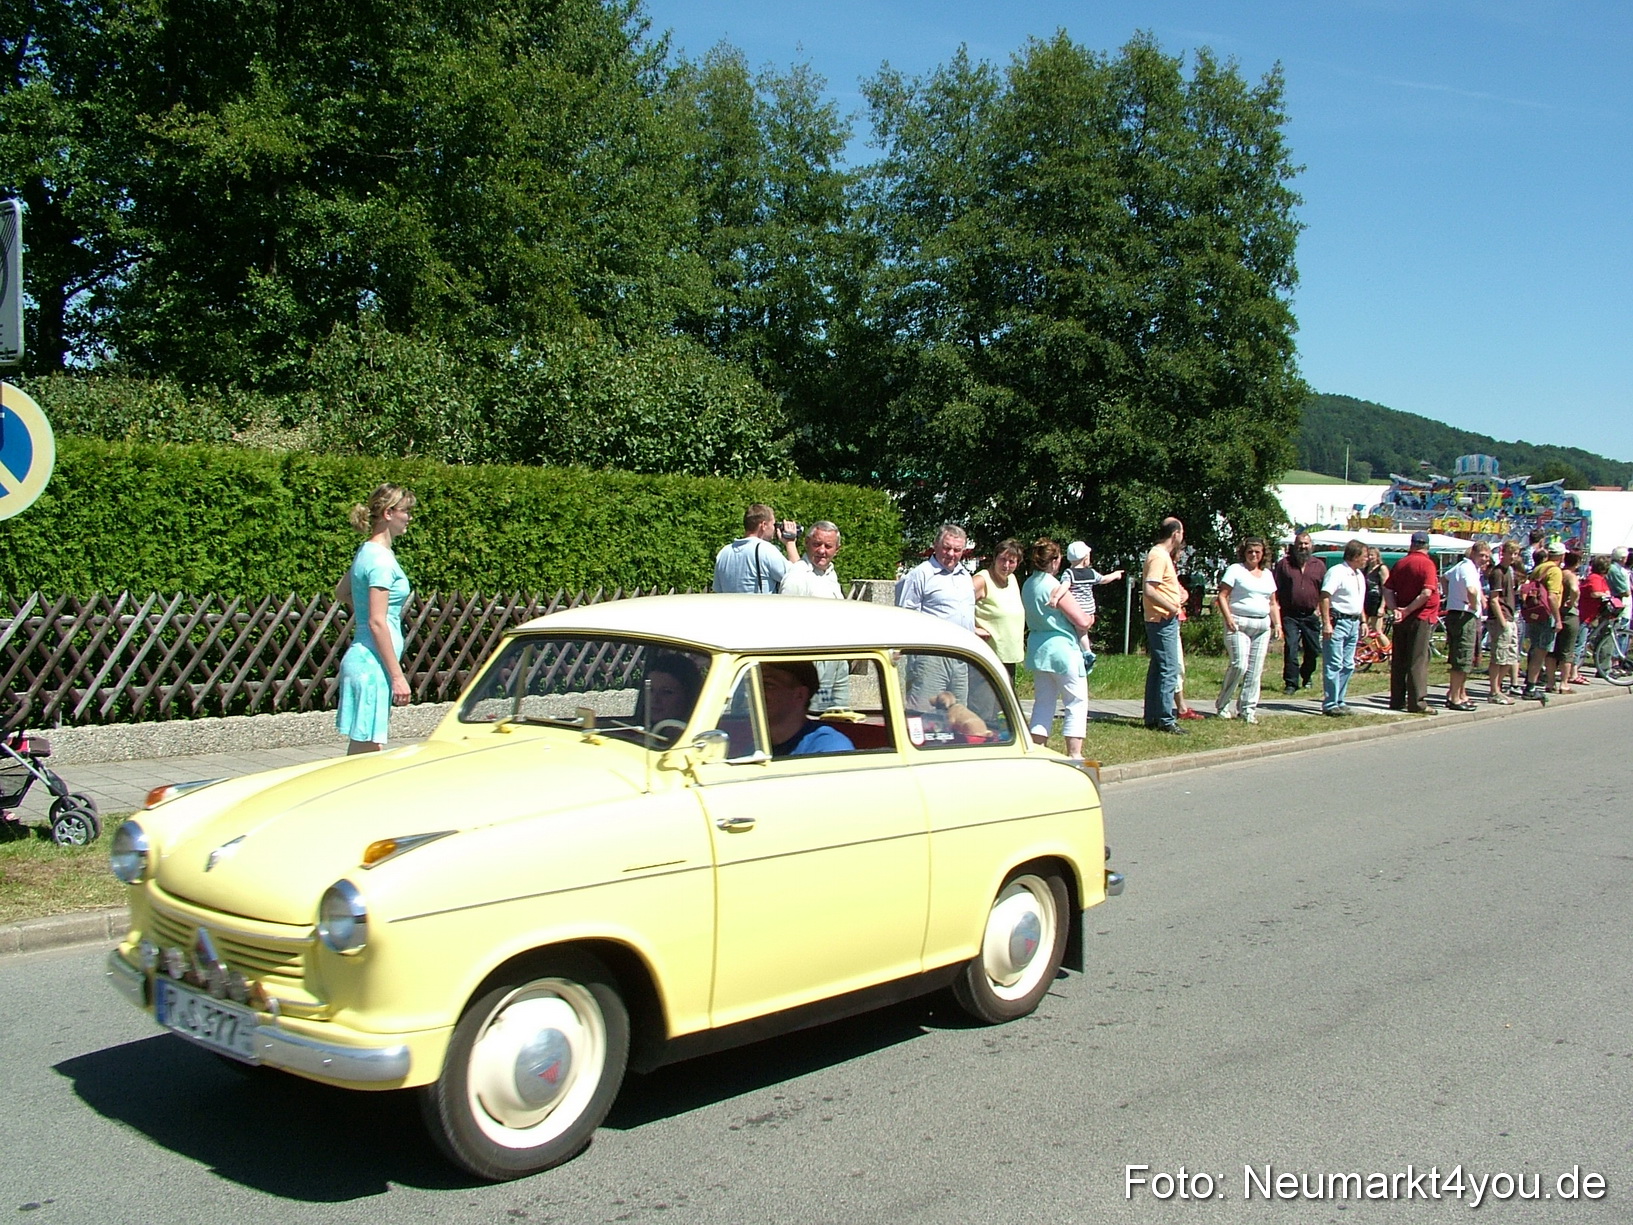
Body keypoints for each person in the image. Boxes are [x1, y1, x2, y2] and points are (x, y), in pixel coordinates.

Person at [335, 483, 416, 754]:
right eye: (406, 511)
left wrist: (366, 607)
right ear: (389, 513)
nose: (410, 518)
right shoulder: (381, 561)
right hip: (371, 665)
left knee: (364, 748)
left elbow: (342, 592)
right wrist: (397, 677)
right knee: (368, 751)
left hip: (364, 660)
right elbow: (377, 622)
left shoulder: (366, 551)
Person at [1021, 538, 1095, 758]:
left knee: (1043, 703)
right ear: (1054, 561)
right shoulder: (1053, 585)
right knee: (1076, 701)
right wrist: (1090, 618)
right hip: (1063, 649)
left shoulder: (1028, 584)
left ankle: (1037, 751)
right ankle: (1075, 754)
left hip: (1038, 648)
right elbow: (1080, 620)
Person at [897, 523, 977, 705]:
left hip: (962, 656)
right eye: (946, 548)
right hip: (931, 657)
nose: (951, 554)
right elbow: (906, 616)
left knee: (957, 717)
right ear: (935, 545)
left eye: (957, 550)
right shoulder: (920, 575)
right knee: (924, 714)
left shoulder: (964, 575)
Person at [780, 520, 849, 706]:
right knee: (816, 714)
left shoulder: (830, 573)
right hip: (814, 661)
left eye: (828, 546)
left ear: (837, 549)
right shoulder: (797, 577)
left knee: (841, 715)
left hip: (838, 659)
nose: (822, 550)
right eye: (817, 544)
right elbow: (784, 624)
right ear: (807, 543)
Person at [1215, 537, 1282, 724]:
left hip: (1262, 625)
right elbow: (1222, 596)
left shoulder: (1267, 574)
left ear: (1263, 554)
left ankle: (1247, 709)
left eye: (1257, 552)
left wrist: (1277, 624)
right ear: (1244, 553)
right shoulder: (1236, 570)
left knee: (1255, 670)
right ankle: (1223, 703)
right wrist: (1228, 618)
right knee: (1240, 664)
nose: (1253, 555)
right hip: (1238, 623)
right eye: (1250, 552)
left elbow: (1272, 602)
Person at [1382, 529, 1441, 714]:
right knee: (1417, 659)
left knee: (1400, 659)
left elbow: (1388, 589)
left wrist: (1396, 610)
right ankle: (1417, 702)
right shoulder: (1427, 564)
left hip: (1403, 617)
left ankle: (1397, 699)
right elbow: (1426, 592)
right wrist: (1407, 611)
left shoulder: (1401, 563)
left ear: (1412, 545)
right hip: (1420, 616)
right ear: (1427, 546)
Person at [1141, 517, 1187, 734]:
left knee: (1159, 669)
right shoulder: (1158, 556)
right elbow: (1150, 589)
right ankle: (1165, 718)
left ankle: (1152, 716)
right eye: (1182, 533)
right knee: (1169, 669)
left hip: (1161, 617)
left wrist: (1179, 595)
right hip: (1162, 619)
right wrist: (1172, 607)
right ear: (1175, 534)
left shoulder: (1161, 556)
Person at [761, 661, 854, 757]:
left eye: (767, 685)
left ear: (799, 695)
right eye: (753, 684)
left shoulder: (830, 747)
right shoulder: (749, 740)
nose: (752, 693)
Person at [1319, 539, 1368, 715]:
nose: (1367, 559)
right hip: (1338, 622)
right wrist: (1326, 623)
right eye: (1364, 556)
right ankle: (1330, 703)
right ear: (1355, 556)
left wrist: (1363, 620)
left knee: (1348, 664)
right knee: (1334, 663)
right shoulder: (1337, 572)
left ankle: (1340, 699)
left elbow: (1358, 600)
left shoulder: (1358, 575)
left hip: (1354, 622)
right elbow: (1325, 596)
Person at [1273, 531, 1327, 694]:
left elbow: (1324, 591)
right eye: (1300, 544)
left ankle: (1307, 674)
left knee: (1313, 649)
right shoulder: (1284, 564)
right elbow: (1275, 589)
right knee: (1291, 647)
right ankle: (1291, 682)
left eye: (1306, 544)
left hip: (1311, 614)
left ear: (1311, 546)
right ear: (1294, 546)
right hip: (1290, 614)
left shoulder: (1319, 565)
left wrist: (1320, 610)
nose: (1303, 547)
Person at [1061, 541, 1125, 676]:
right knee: (1082, 632)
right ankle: (1086, 652)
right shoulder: (1091, 573)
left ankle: (1087, 652)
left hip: (1077, 609)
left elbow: (1064, 587)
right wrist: (1116, 574)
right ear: (1085, 559)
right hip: (1089, 609)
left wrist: (1055, 597)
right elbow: (1104, 579)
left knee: (1079, 632)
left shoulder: (1069, 573)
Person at [1441, 542, 1488, 711]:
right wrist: (1474, 605)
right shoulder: (1468, 568)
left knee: (1465, 658)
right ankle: (1455, 697)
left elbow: (1444, 578)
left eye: (1487, 556)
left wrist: (1450, 596)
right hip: (1464, 615)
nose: (1484, 559)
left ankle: (1459, 693)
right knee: (1462, 658)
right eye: (1481, 555)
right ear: (1473, 553)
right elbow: (1472, 590)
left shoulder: (1462, 567)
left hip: (1456, 613)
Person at [713, 503, 799, 594]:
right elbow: (799, 579)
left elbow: (718, 589)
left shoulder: (724, 552)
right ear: (764, 525)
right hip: (759, 607)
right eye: (773, 524)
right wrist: (790, 542)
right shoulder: (765, 550)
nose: (775, 529)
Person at [972, 538, 1026, 683]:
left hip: (1008, 657)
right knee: (985, 704)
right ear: (995, 558)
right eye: (1003, 559)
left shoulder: (1012, 579)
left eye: (1012, 562)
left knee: (1005, 704)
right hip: (988, 658)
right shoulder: (982, 580)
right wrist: (972, 628)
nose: (1006, 565)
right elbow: (957, 606)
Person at [1522, 539, 1564, 700]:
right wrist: (1558, 619)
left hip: (1535, 611)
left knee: (1534, 648)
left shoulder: (1539, 568)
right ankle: (1531, 686)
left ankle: (1530, 680)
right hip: (1547, 614)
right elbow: (1553, 596)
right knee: (1541, 650)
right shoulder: (1555, 571)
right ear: (1560, 556)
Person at [1485, 540, 1520, 703]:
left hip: (1511, 617)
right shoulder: (1497, 572)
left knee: (1510, 657)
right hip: (1501, 618)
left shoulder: (1510, 571)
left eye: (1515, 554)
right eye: (1510, 553)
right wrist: (1502, 621)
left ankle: (1499, 688)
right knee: (1498, 657)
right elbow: (1494, 599)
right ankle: (1493, 691)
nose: (1512, 557)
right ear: (1502, 553)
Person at [644, 652, 704, 744]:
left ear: (688, 696)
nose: (654, 699)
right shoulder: (640, 731)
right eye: (650, 690)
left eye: (666, 692)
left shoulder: (695, 739)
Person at [1547, 548, 1582, 694]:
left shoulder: (1557, 572)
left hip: (1555, 612)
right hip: (1568, 614)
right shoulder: (1570, 575)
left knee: (1552, 650)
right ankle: (1564, 683)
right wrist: (1573, 601)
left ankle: (1550, 682)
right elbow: (1574, 589)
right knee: (1567, 651)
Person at [1363, 546, 1391, 642]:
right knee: (1362, 628)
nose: (1370, 557)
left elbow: (1385, 588)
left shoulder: (1381, 568)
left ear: (1377, 556)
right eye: (1368, 555)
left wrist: (1382, 607)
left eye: (1372, 555)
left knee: (1377, 631)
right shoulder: (1365, 569)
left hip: (1377, 600)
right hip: (1366, 600)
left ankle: (1389, 652)